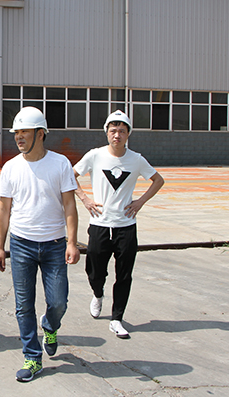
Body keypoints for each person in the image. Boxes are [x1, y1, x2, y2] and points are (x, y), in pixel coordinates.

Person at [0, 106, 80, 382]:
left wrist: (72, 242)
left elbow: (70, 205)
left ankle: (50, 326)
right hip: (22, 245)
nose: (18, 137)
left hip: (54, 245)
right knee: (23, 305)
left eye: (24, 132)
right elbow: (3, 209)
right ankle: (32, 357)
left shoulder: (60, 163)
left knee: (58, 302)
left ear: (40, 133)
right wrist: (0, 246)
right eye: (16, 132)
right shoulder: (11, 167)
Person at [73, 110, 164, 339]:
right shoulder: (95, 156)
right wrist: (85, 199)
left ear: (128, 134)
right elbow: (70, 175)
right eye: (113, 130)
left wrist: (140, 202)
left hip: (126, 225)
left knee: (124, 274)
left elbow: (158, 180)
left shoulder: (136, 159)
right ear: (106, 133)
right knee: (94, 270)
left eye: (122, 131)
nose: (117, 135)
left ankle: (116, 319)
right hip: (100, 224)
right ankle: (98, 294)